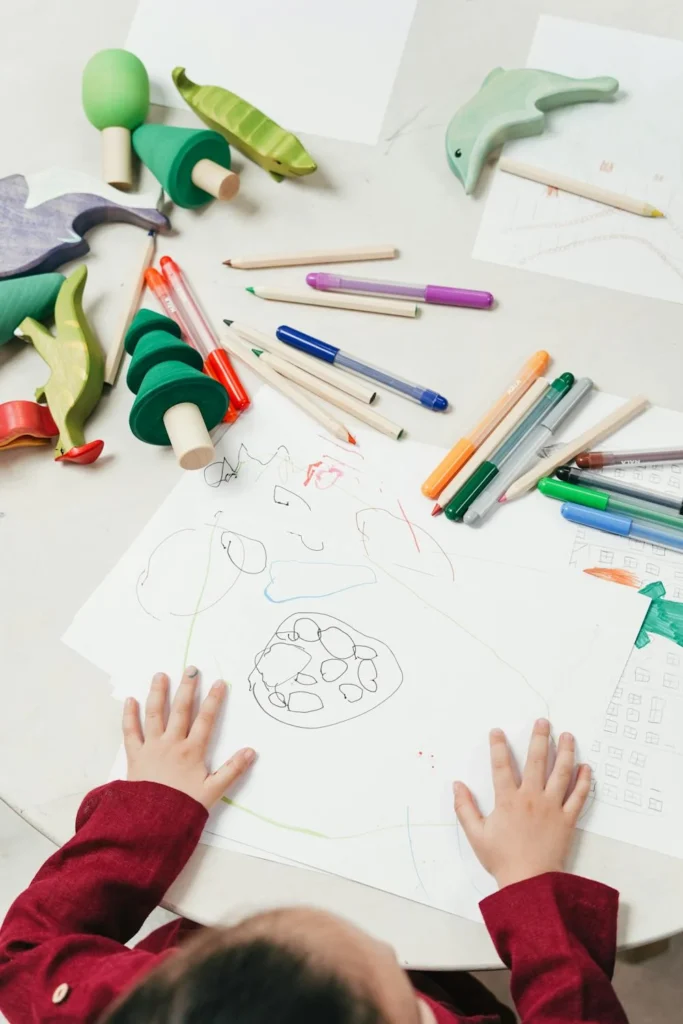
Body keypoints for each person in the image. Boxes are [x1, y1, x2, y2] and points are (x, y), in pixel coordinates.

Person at [0, 669, 629, 1024]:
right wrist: (532, 888)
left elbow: (24, 956)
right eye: (368, 954)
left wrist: (149, 807)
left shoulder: (102, 1010)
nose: (357, 926)